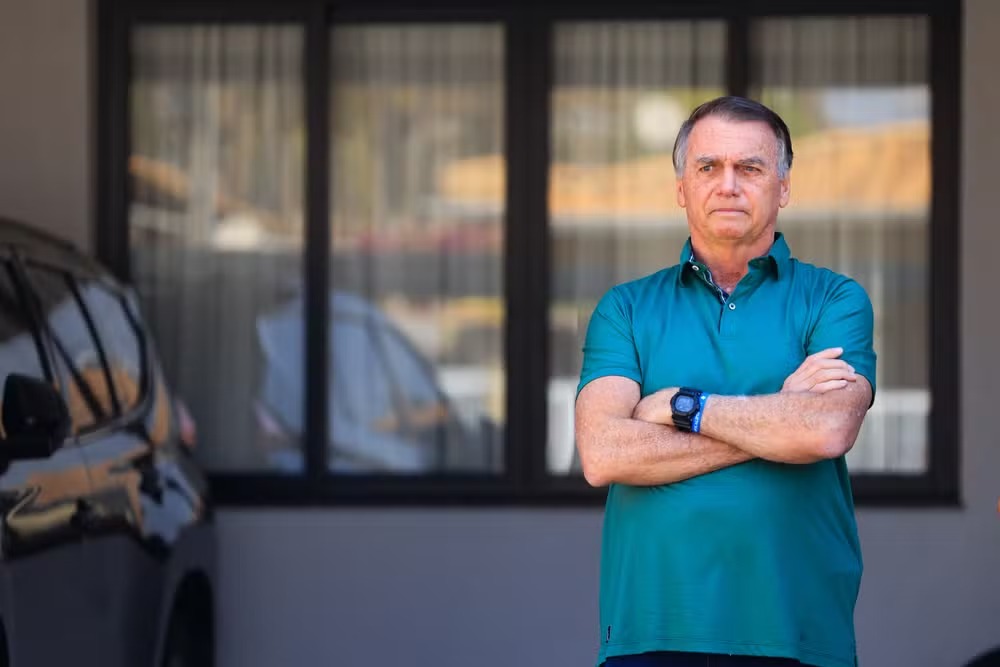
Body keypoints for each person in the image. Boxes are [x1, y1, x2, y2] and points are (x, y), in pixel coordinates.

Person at [574, 96, 876, 667]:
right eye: (708, 167)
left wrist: (681, 406)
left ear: (783, 188)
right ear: (681, 188)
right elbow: (603, 453)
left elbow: (828, 429)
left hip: (796, 631)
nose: (728, 185)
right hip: (652, 631)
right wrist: (780, 416)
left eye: (750, 168)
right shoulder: (626, 309)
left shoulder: (834, 299)